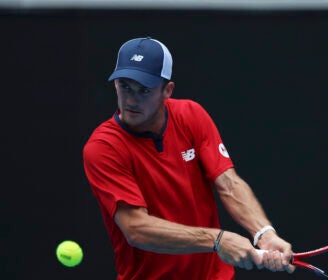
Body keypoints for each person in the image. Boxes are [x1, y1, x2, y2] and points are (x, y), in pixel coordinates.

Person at [83, 37, 295, 279]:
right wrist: (216, 239)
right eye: (125, 86)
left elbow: (229, 184)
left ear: (167, 90)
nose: (131, 100)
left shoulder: (191, 115)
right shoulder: (103, 147)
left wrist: (264, 234)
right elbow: (136, 228)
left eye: (144, 89)